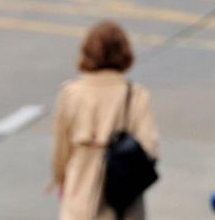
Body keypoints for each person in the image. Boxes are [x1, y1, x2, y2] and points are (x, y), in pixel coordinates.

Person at [51, 20, 159, 220]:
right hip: (123, 204)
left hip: (79, 199)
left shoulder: (71, 93)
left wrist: (60, 181)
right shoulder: (135, 95)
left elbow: (61, 151)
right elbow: (150, 149)